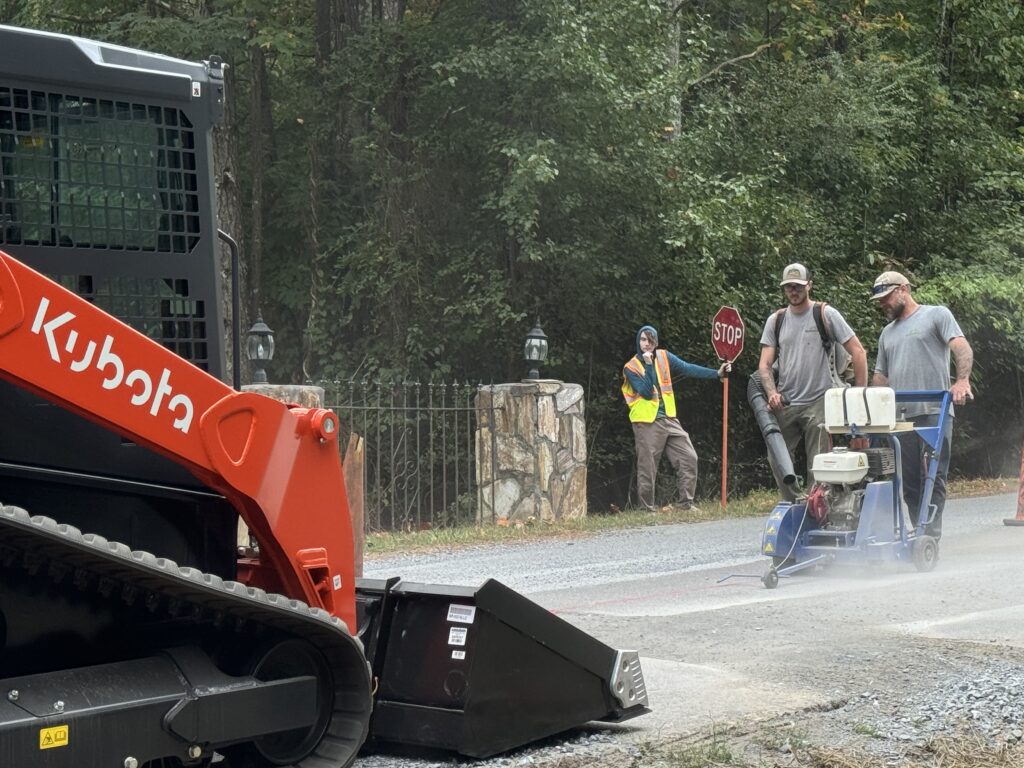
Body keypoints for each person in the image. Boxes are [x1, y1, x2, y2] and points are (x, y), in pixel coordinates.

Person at [870, 270, 973, 542]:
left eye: (887, 297)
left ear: (903, 289)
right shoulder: (886, 334)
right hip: (901, 418)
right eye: (879, 300)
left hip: (933, 413)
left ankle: (931, 537)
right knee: (911, 485)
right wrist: (870, 405)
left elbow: (961, 347)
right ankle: (919, 535)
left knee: (933, 477)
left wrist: (961, 381)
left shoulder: (936, 315)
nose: (883, 304)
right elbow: (881, 376)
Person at [757, 263, 868, 500]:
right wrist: (772, 393)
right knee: (776, 456)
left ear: (809, 285)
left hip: (820, 400)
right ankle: (796, 501)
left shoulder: (825, 314)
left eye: (798, 286)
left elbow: (858, 352)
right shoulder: (776, 320)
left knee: (819, 462)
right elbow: (764, 365)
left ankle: (817, 505)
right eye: (788, 287)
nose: (793, 291)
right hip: (787, 401)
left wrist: (859, 395)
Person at [622, 325, 730, 511]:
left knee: (689, 457)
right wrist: (648, 366)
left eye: (650, 340)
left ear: (656, 342)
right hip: (647, 422)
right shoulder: (631, 367)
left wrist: (717, 374)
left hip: (670, 419)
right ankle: (647, 509)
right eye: (643, 340)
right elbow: (647, 392)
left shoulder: (664, 357)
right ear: (638, 342)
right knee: (647, 467)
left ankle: (686, 504)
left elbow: (687, 368)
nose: (646, 344)